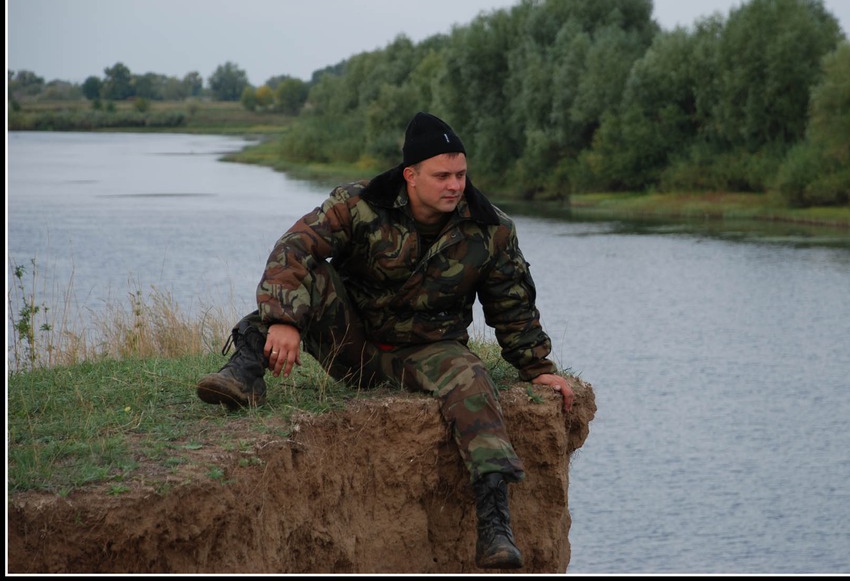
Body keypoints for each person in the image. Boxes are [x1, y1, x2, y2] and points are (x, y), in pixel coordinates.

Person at [196, 111, 575, 570]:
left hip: (428, 351)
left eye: (460, 174)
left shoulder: (490, 228)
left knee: (473, 380)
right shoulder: (359, 203)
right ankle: (246, 371)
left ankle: (494, 524)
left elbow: (511, 303)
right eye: (442, 176)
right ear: (410, 176)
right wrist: (284, 320)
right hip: (349, 341)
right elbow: (294, 248)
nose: (454, 185)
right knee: (311, 273)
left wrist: (539, 369)